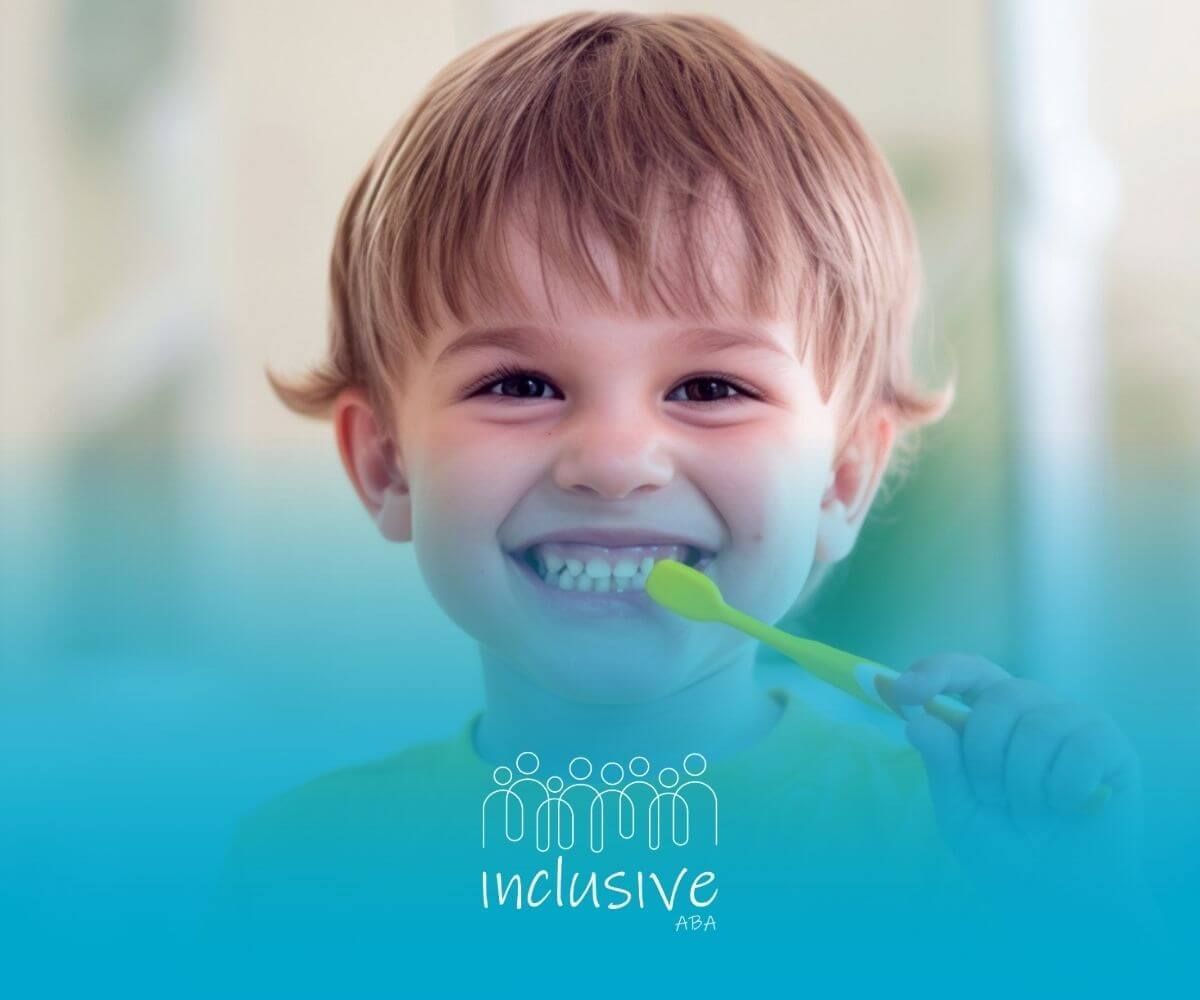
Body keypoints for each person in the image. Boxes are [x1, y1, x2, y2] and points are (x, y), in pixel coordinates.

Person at [208, 11, 1160, 980]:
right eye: (519, 384)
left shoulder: (959, 854)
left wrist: (1080, 915)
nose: (615, 460)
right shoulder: (303, 875)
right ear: (386, 464)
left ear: (840, 481)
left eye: (710, 389)